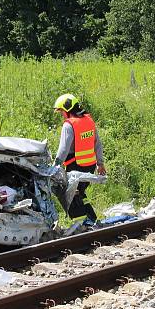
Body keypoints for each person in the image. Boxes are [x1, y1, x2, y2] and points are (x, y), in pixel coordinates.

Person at [52, 93, 106, 223]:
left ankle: (83, 224)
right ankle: (92, 219)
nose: (62, 115)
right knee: (80, 191)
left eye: (62, 112)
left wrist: (55, 166)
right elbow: (97, 143)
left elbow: (63, 149)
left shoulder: (69, 125)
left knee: (69, 194)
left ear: (67, 110)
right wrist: (100, 163)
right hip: (90, 166)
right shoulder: (89, 121)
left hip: (74, 166)